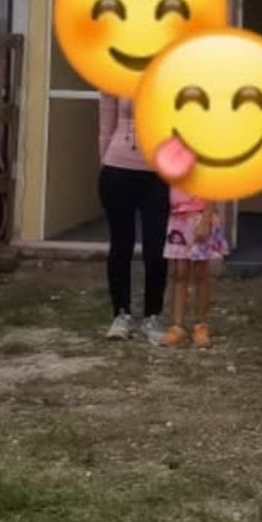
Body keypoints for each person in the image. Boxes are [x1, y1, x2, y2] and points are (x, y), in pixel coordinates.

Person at [97, 92, 170, 342]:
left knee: (156, 249)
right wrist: (105, 165)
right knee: (121, 245)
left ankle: (153, 316)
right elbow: (105, 128)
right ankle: (121, 314)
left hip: (158, 176)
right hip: (117, 171)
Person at [160, 188, 229, 348]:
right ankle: (177, 326)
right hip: (178, 219)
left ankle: (201, 325)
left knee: (201, 274)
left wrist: (205, 220)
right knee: (180, 273)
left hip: (200, 218)